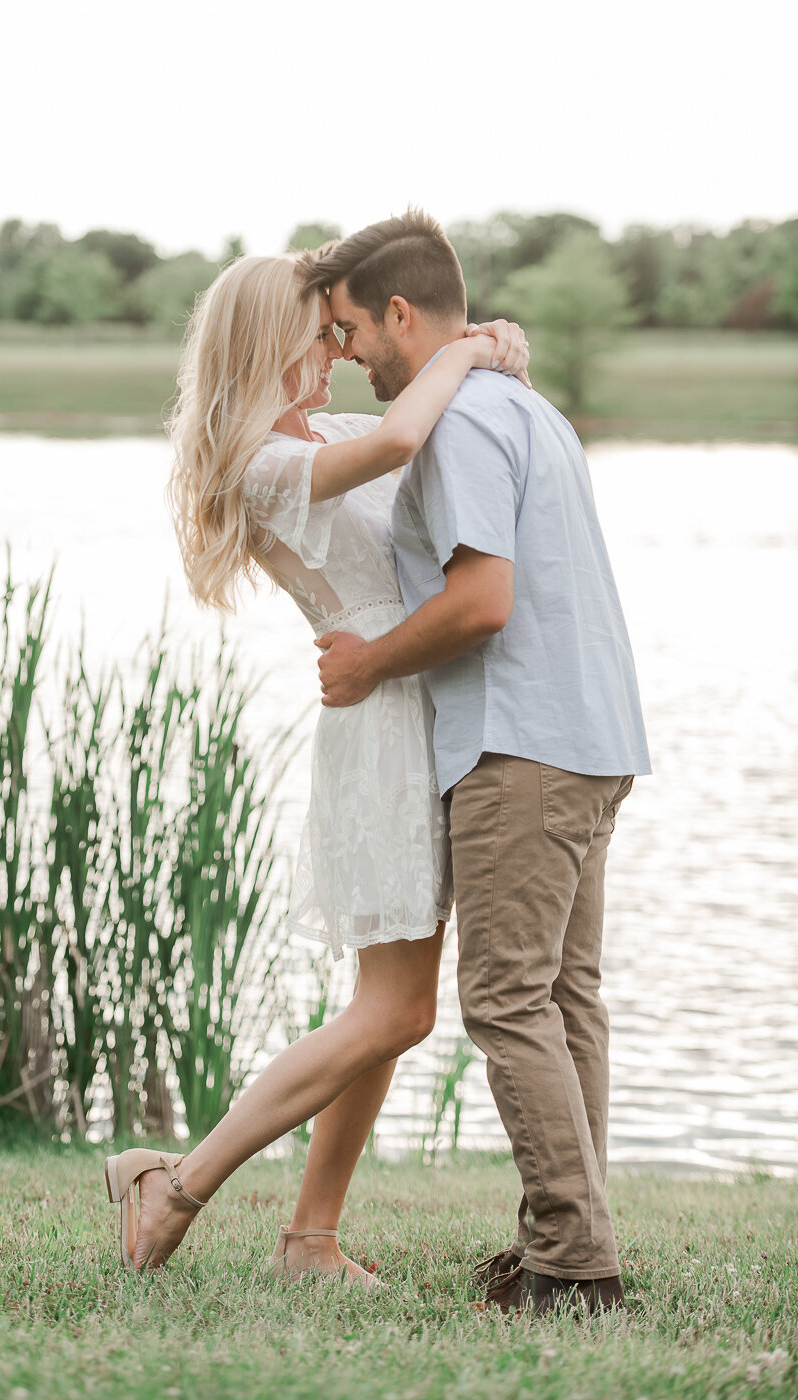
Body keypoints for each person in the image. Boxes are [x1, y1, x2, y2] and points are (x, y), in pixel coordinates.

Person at [103, 251, 530, 1282]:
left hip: (420, 704)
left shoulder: (320, 433)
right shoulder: (260, 463)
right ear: (271, 342)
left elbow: (422, 436)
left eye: (346, 333)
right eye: (323, 335)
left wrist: (491, 354)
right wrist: (471, 343)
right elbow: (400, 432)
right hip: (381, 721)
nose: (341, 353)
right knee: (397, 1008)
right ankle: (177, 1182)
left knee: (390, 1005)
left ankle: (311, 1237)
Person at [305, 211, 651, 1315]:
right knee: (564, 998)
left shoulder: (456, 423)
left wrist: (366, 664)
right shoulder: (528, 407)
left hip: (522, 743)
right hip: (593, 736)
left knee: (506, 996)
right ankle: (572, 1237)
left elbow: (482, 599)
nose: (350, 352)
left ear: (400, 313)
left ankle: (573, 1263)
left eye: (351, 327)